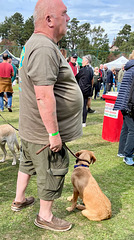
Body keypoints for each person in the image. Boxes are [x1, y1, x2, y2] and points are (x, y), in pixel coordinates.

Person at [11, 0, 83, 232]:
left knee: (27, 164)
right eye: (65, 13)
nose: (68, 18)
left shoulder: (38, 44)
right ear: (49, 19)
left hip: (32, 129)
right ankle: (45, 216)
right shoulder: (43, 47)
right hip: (43, 133)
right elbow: (43, 96)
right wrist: (54, 134)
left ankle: (19, 200)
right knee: (54, 169)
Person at [114, 50, 134, 166]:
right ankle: (128, 155)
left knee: (126, 128)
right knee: (132, 130)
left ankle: (122, 151)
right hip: (129, 104)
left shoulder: (129, 68)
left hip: (123, 103)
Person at [76, 55, 94, 127]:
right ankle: (83, 121)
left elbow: (76, 77)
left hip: (82, 89)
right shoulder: (91, 69)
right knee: (85, 105)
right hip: (88, 90)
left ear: (86, 61)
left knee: (82, 106)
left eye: (83, 60)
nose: (82, 62)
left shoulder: (83, 70)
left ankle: (82, 121)